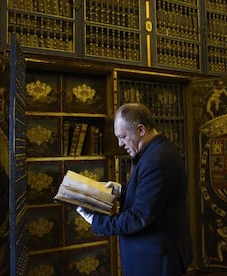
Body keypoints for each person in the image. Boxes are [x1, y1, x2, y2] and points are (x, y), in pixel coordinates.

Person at [76, 103, 194, 275]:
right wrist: (120, 191)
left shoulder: (156, 160)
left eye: (122, 137)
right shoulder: (157, 150)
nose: (120, 144)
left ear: (140, 130)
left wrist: (95, 220)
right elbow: (151, 197)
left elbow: (139, 216)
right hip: (153, 255)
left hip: (155, 260)